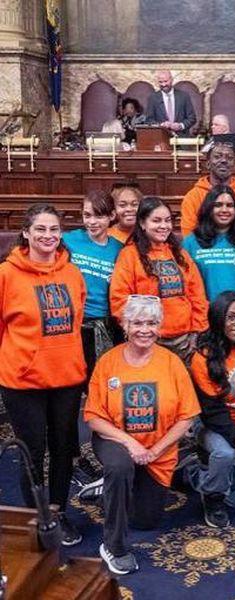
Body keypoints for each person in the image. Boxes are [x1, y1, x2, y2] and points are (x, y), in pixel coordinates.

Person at [84, 295, 200, 575]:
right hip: (116, 440)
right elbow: (93, 418)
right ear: (125, 325)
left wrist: (156, 450)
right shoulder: (108, 362)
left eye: (151, 323)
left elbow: (187, 418)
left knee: (146, 520)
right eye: (137, 322)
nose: (144, 330)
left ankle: (108, 488)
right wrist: (130, 443)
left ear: (159, 327)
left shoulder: (172, 364)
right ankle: (114, 546)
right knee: (120, 466)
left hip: (157, 450)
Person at [0, 204, 87, 546]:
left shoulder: (72, 273)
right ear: (26, 233)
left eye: (54, 230)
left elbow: (76, 321)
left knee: (64, 447)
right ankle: (39, 517)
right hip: (23, 381)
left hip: (66, 377)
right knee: (32, 452)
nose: (48, 236)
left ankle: (59, 510)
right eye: (41, 230)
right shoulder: (7, 274)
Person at [185, 292, 235, 527]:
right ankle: (209, 492)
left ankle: (211, 472)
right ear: (219, 318)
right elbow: (212, 412)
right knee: (225, 454)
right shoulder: (203, 357)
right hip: (211, 424)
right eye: (231, 317)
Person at [110, 196, 209, 363]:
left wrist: (197, 331)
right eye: (156, 221)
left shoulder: (180, 254)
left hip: (184, 342)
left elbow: (197, 295)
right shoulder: (129, 255)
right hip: (147, 341)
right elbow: (119, 300)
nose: (164, 226)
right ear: (142, 223)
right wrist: (140, 333)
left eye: (167, 221)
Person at [63, 190, 124, 378]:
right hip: (73, 320)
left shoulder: (119, 249)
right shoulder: (68, 240)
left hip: (103, 323)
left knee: (101, 377)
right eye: (87, 215)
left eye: (99, 216)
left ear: (112, 216)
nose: (92, 222)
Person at [182, 184, 235, 302]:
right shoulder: (191, 242)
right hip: (204, 312)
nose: (224, 210)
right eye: (218, 205)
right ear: (208, 208)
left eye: (230, 205)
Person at [180, 144, 235, 236]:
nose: (224, 160)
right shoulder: (193, 197)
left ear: (234, 166)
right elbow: (188, 234)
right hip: (203, 249)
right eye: (217, 157)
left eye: (229, 158)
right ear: (208, 164)